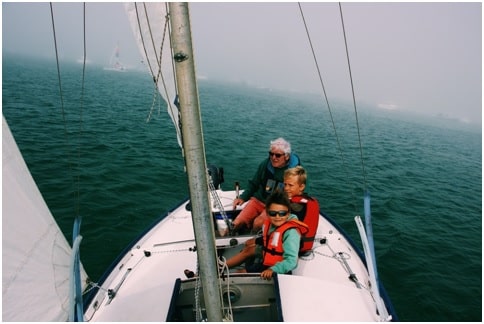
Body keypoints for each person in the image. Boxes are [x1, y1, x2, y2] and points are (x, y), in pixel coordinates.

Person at [225, 166, 318, 270]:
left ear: (301, 187)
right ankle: (247, 265)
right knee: (250, 244)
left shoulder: (295, 207)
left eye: (290, 185)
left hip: (287, 248)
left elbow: (279, 233)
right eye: (285, 184)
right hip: (297, 244)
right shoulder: (305, 201)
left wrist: (258, 241)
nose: (286, 188)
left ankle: (226, 268)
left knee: (249, 249)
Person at [234, 190, 308, 280]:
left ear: (288, 214)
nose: (277, 217)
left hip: (278, 271)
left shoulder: (291, 233)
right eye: (273, 213)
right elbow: (269, 240)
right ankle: (221, 267)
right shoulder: (269, 224)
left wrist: (273, 270)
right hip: (266, 262)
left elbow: (291, 261)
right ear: (267, 213)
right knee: (239, 272)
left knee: (240, 276)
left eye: (282, 213)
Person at [232, 137, 300, 233]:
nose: (273, 157)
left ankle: (253, 241)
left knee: (258, 223)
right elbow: (254, 183)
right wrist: (242, 198)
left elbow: (301, 192)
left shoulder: (295, 171)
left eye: (278, 155)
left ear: (287, 156)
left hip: (276, 205)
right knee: (237, 222)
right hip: (260, 199)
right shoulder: (265, 164)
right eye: (271, 154)